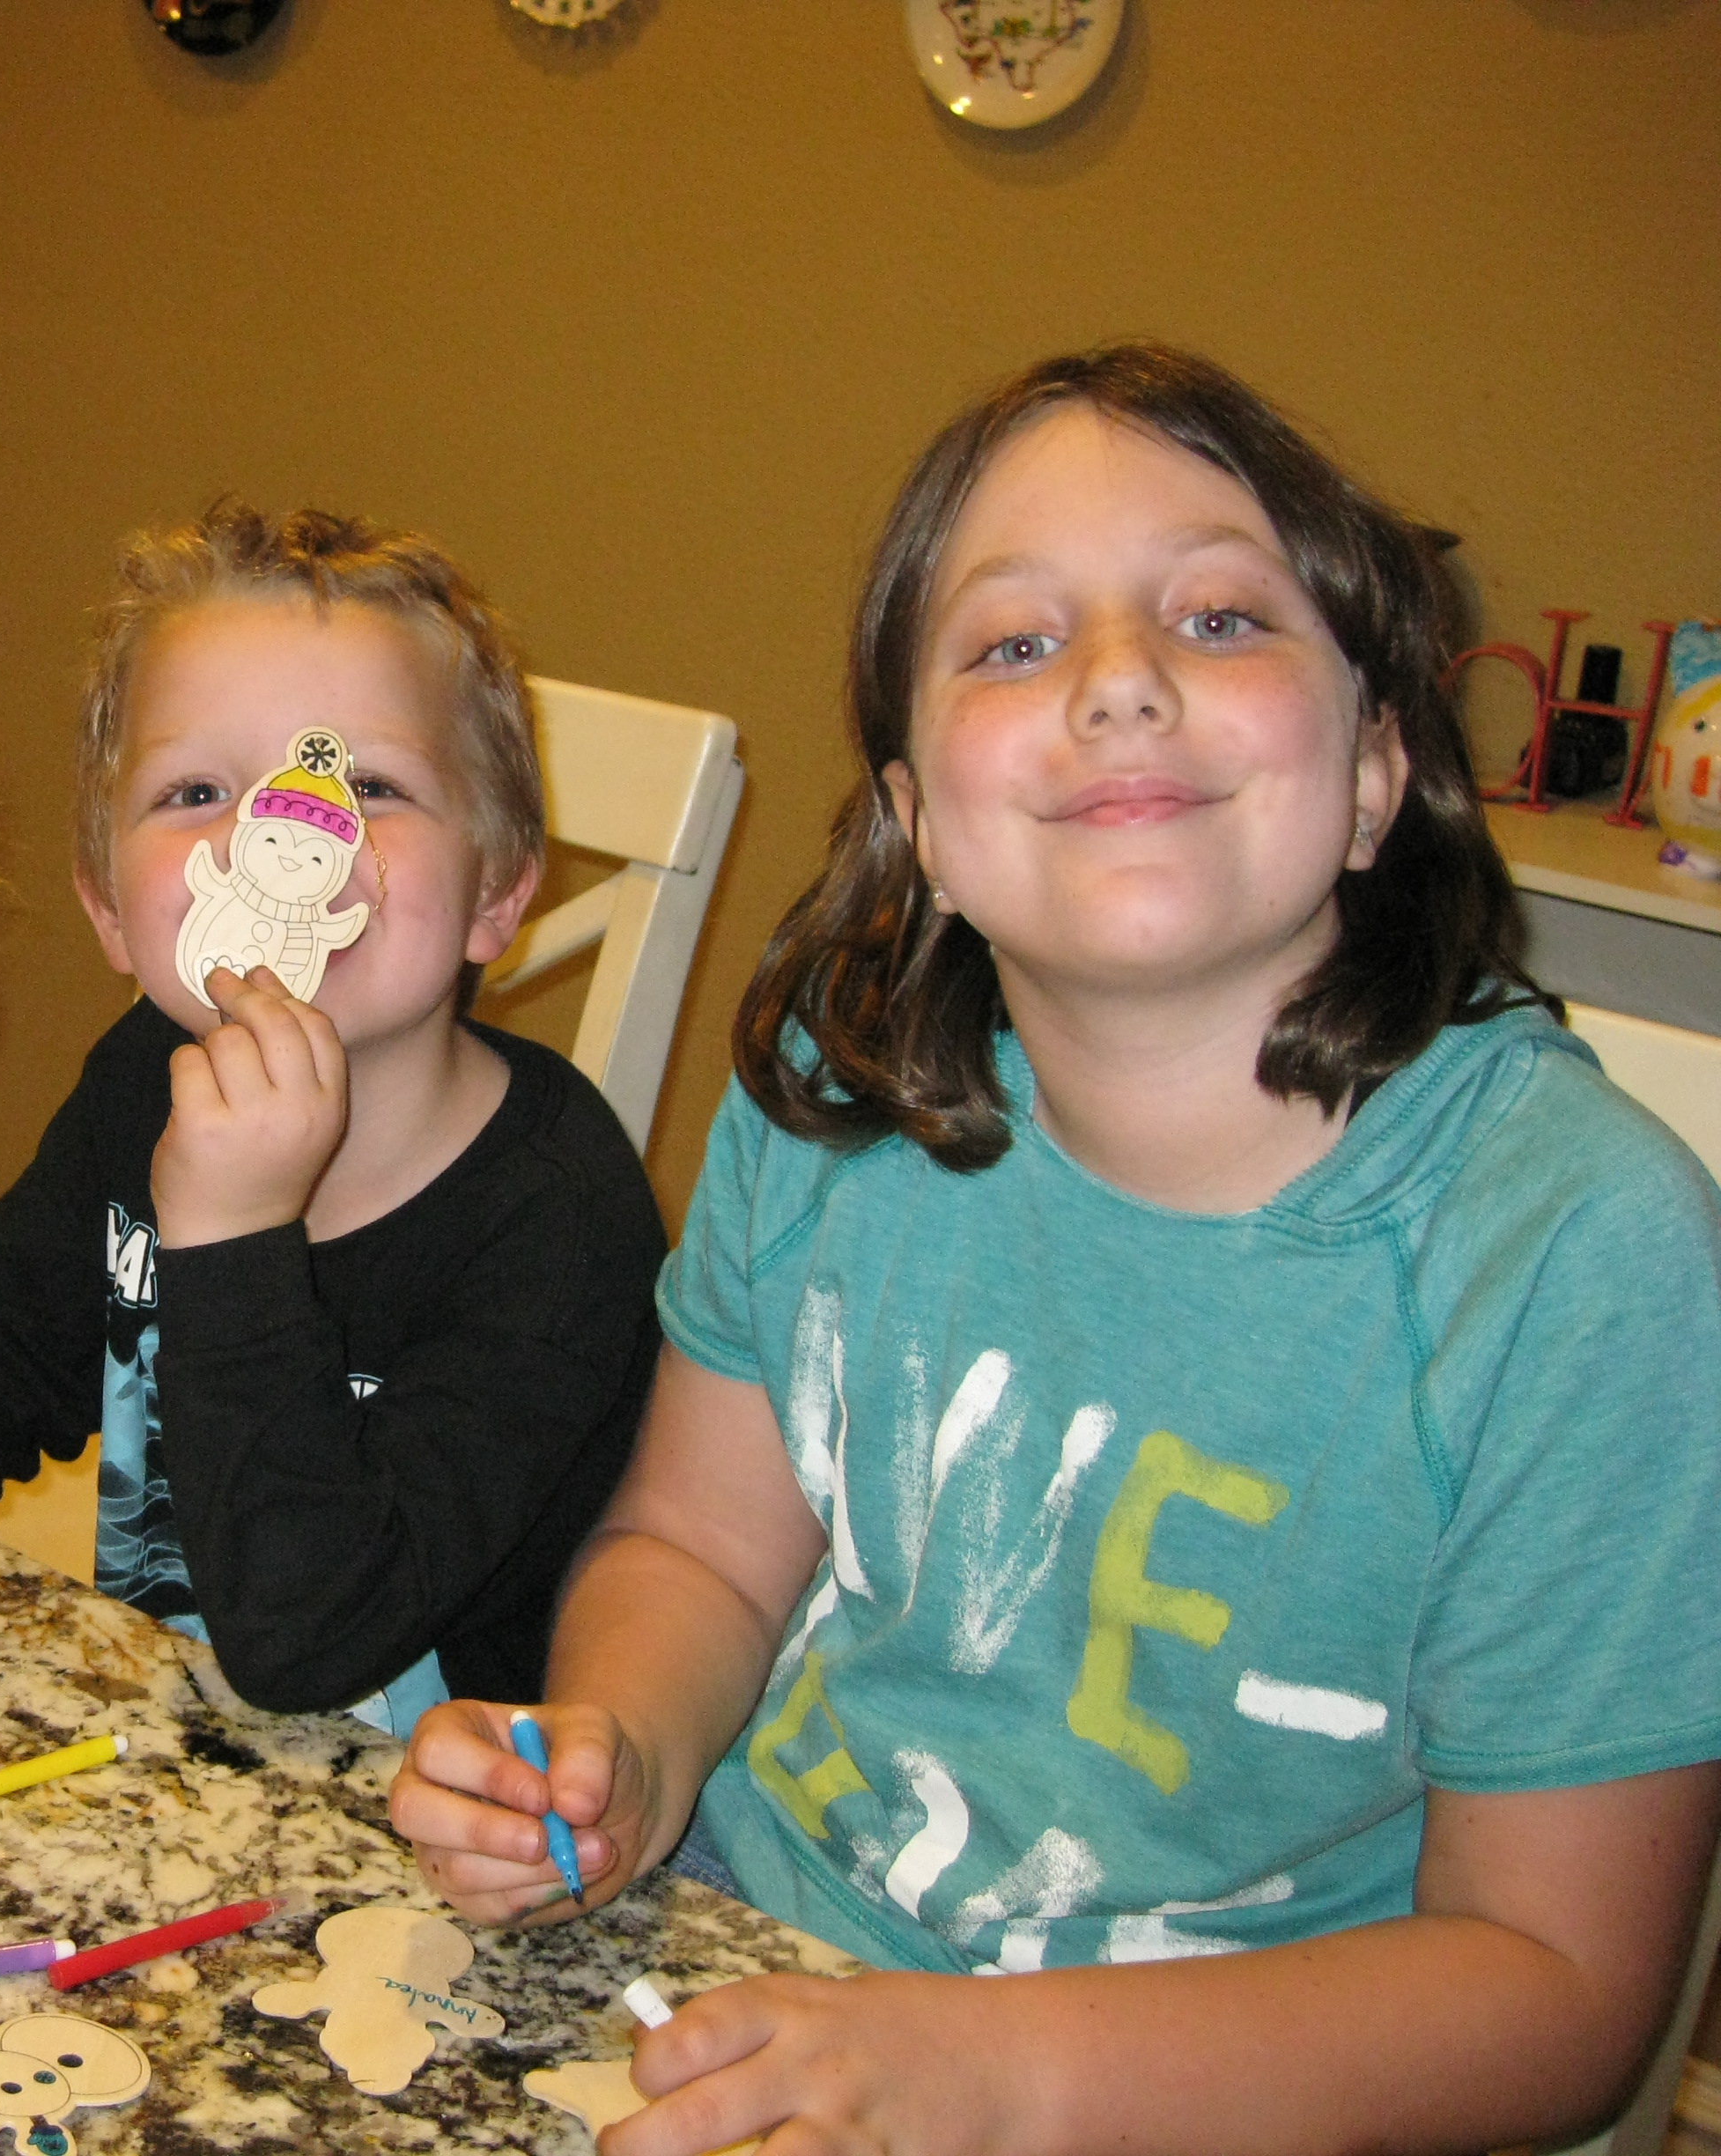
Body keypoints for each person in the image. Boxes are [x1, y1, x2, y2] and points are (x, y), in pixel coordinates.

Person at [391, 345, 1721, 2153]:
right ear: (919, 824)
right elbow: (696, 1544)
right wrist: (620, 1748)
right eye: (1014, 643)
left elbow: (1553, 1985)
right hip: (753, 1959)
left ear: (1372, 772)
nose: (1116, 681)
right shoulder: (836, 1091)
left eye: (1221, 618)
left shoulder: (1571, 1251)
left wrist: (989, 2071)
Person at [0, 504, 667, 1725]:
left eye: (368, 786)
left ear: (495, 893)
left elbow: (309, 1643)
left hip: (451, 1801)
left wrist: (234, 1236)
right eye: (197, 791)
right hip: (172, 1746)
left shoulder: (561, 1219)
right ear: (111, 914)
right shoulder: (144, 1079)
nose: (273, 836)